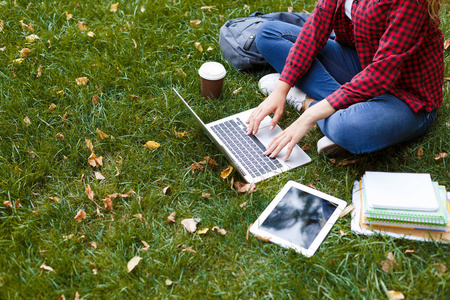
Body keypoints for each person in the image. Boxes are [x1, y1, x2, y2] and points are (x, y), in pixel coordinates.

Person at [246, 0, 445, 160]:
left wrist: (310, 114)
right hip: (363, 63)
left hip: (407, 96)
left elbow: (380, 74)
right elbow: (315, 29)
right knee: (268, 33)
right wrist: (281, 88)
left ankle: (306, 102)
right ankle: (340, 108)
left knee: (346, 129)